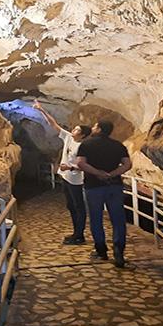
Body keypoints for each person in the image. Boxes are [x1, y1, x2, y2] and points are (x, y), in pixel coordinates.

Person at [33, 100, 91, 245]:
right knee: (71, 206)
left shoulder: (83, 146)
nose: (73, 131)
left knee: (79, 206)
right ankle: (76, 232)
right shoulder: (68, 137)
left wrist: (70, 168)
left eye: (77, 130)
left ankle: (80, 235)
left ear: (83, 135)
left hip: (75, 179)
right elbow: (54, 124)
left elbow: (85, 166)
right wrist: (42, 110)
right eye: (74, 128)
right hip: (65, 177)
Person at [76, 120, 132, 268]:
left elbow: (81, 163)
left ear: (99, 129)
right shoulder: (118, 145)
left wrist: (97, 173)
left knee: (96, 218)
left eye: (94, 126)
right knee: (118, 218)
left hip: (93, 186)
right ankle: (119, 250)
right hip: (114, 186)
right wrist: (112, 174)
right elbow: (127, 164)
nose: (93, 128)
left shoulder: (86, 144)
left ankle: (101, 251)